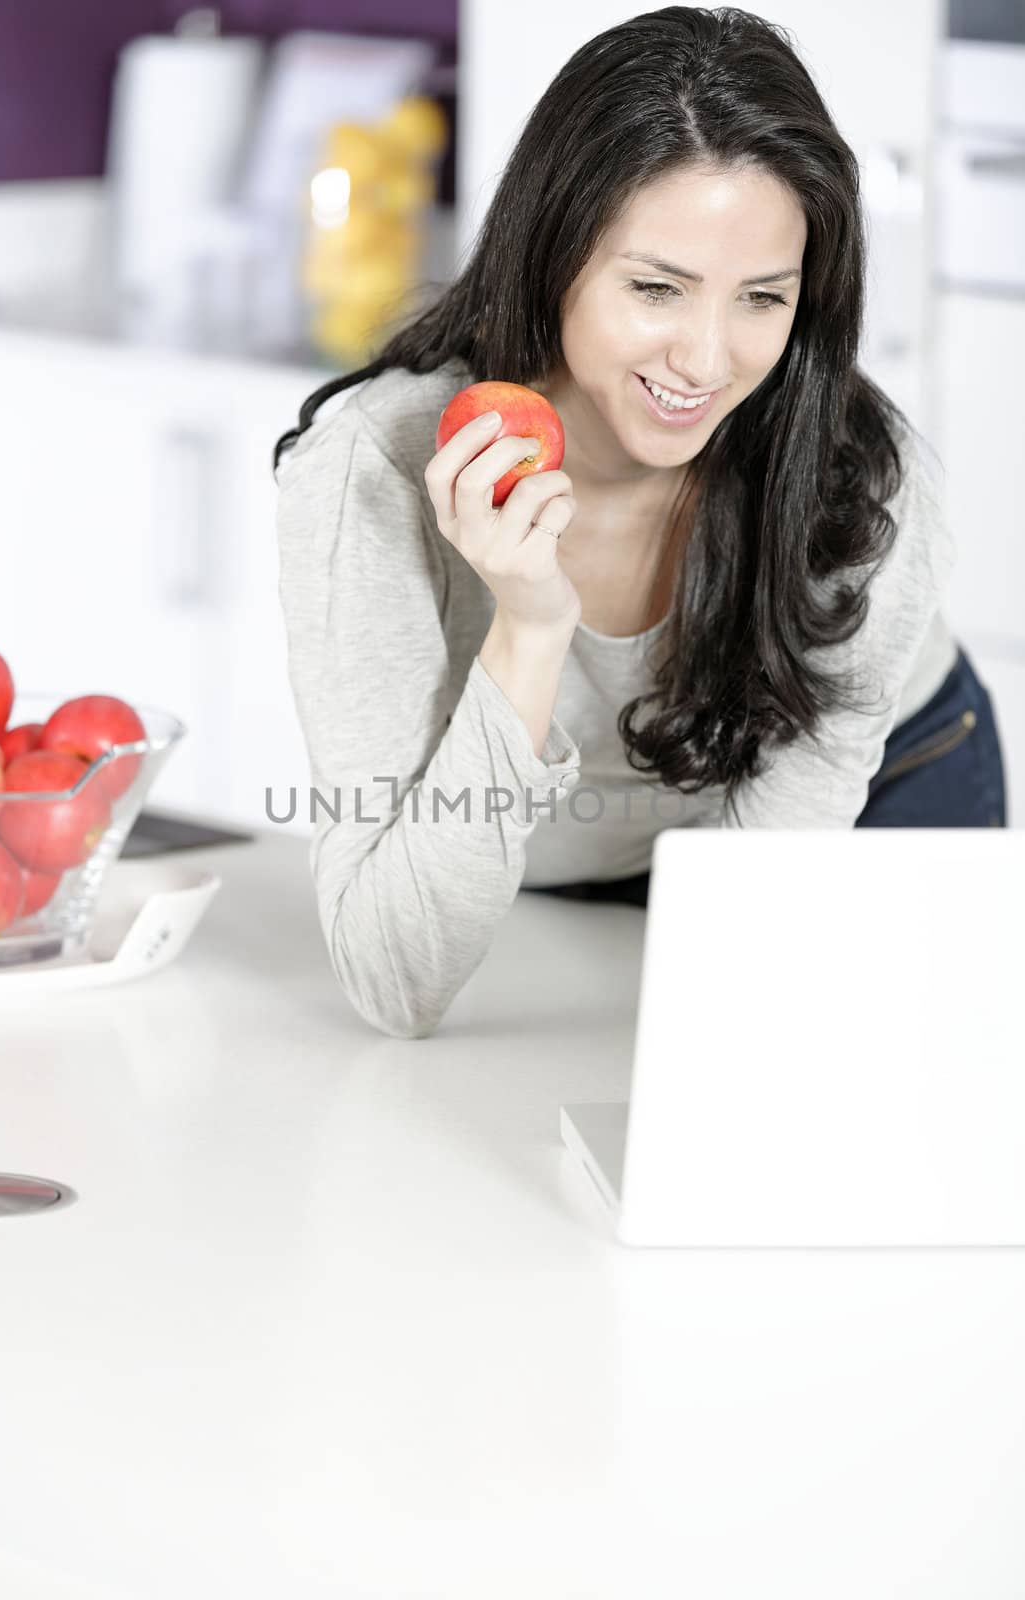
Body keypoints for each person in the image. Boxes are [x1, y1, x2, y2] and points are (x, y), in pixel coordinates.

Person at [273, 5, 1007, 1038]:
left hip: (886, 789)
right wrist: (528, 626)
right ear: (550, 253)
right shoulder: (374, 473)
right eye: (655, 288)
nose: (706, 363)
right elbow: (396, 978)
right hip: (570, 843)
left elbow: (748, 936)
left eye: (761, 298)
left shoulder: (860, 482)